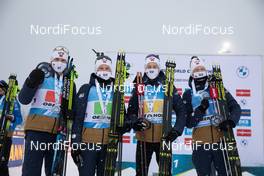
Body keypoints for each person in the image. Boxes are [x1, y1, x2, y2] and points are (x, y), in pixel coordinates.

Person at [19, 46, 75, 176]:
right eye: (56, 58)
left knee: (54, 171)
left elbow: (71, 110)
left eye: (63, 60)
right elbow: (23, 99)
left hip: (57, 134)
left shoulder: (69, 83)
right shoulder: (42, 75)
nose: (59, 62)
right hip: (36, 132)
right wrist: (30, 82)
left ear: (67, 63)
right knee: (31, 170)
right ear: (51, 60)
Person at [127, 54, 186, 176]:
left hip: (164, 137)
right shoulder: (139, 86)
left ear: (159, 68)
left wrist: (176, 131)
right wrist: (134, 123)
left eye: (154, 66)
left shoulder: (168, 86)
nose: (152, 68)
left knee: (165, 173)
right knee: (141, 173)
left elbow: (181, 110)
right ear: (145, 68)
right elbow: (131, 111)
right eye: (149, 66)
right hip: (143, 137)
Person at [182, 56, 241, 176]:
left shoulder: (218, 89)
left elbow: (236, 107)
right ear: (192, 73)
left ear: (206, 70)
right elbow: (188, 123)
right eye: (196, 70)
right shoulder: (188, 94)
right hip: (200, 145)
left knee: (225, 173)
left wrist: (230, 121)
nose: (199, 72)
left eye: (201, 69)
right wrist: (200, 110)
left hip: (221, 141)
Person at [71, 54, 118, 176]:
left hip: (109, 144)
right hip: (88, 144)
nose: (104, 71)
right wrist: (75, 142)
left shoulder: (116, 91)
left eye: (107, 68)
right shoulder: (86, 89)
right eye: (101, 68)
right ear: (96, 70)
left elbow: (123, 117)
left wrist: (126, 125)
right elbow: (78, 118)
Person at [0, 80, 22, 176]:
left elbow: (19, 119)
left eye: (0, 89)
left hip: (5, 136)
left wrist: (12, 118)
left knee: (2, 164)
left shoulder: (12, 101)